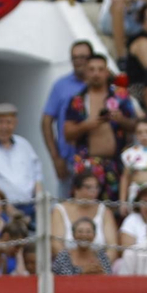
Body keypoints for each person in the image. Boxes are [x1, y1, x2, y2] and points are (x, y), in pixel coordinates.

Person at [65, 56, 138, 201]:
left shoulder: (121, 96)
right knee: (86, 206)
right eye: (92, 70)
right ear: (86, 72)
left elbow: (135, 126)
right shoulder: (77, 100)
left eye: (100, 69)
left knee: (115, 208)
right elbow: (67, 134)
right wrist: (87, 125)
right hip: (87, 166)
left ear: (106, 72)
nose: (96, 74)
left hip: (116, 164)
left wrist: (121, 119)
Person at [43, 41, 99, 186]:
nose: (78, 61)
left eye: (83, 57)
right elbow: (46, 121)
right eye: (74, 58)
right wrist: (55, 158)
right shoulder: (61, 85)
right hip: (69, 161)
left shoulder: (103, 83)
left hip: (100, 160)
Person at [0, 103, 43, 206]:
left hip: (30, 205)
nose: (4, 127)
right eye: (0, 122)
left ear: (15, 122)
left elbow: (37, 176)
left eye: (9, 122)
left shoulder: (24, 145)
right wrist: (8, 209)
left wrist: (40, 203)